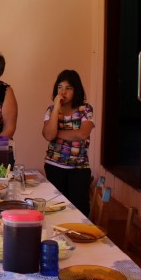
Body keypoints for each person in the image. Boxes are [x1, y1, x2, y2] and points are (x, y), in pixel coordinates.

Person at [42, 69, 95, 216]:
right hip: (53, 165)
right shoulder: (51, 110)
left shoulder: (85, 109)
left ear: (76, 90)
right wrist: (56, 108)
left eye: (68, 88)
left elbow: (82, 134)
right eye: (60, 87)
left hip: (79, 168)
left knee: (80, 210)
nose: (63, 92)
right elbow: (48, 135)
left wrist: (57, 134)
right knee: (54, 210)